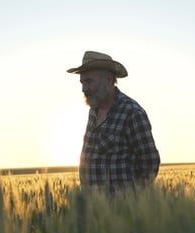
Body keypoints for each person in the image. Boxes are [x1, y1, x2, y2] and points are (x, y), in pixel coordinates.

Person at [67, 50, 160, 192]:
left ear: (109, 80)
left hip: (121, 209)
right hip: (92, 208)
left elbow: (150, 162)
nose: (84, 88)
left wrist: (133, 199)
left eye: (89, 81)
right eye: (82, 82)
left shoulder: (132, 113)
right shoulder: (93, 111)